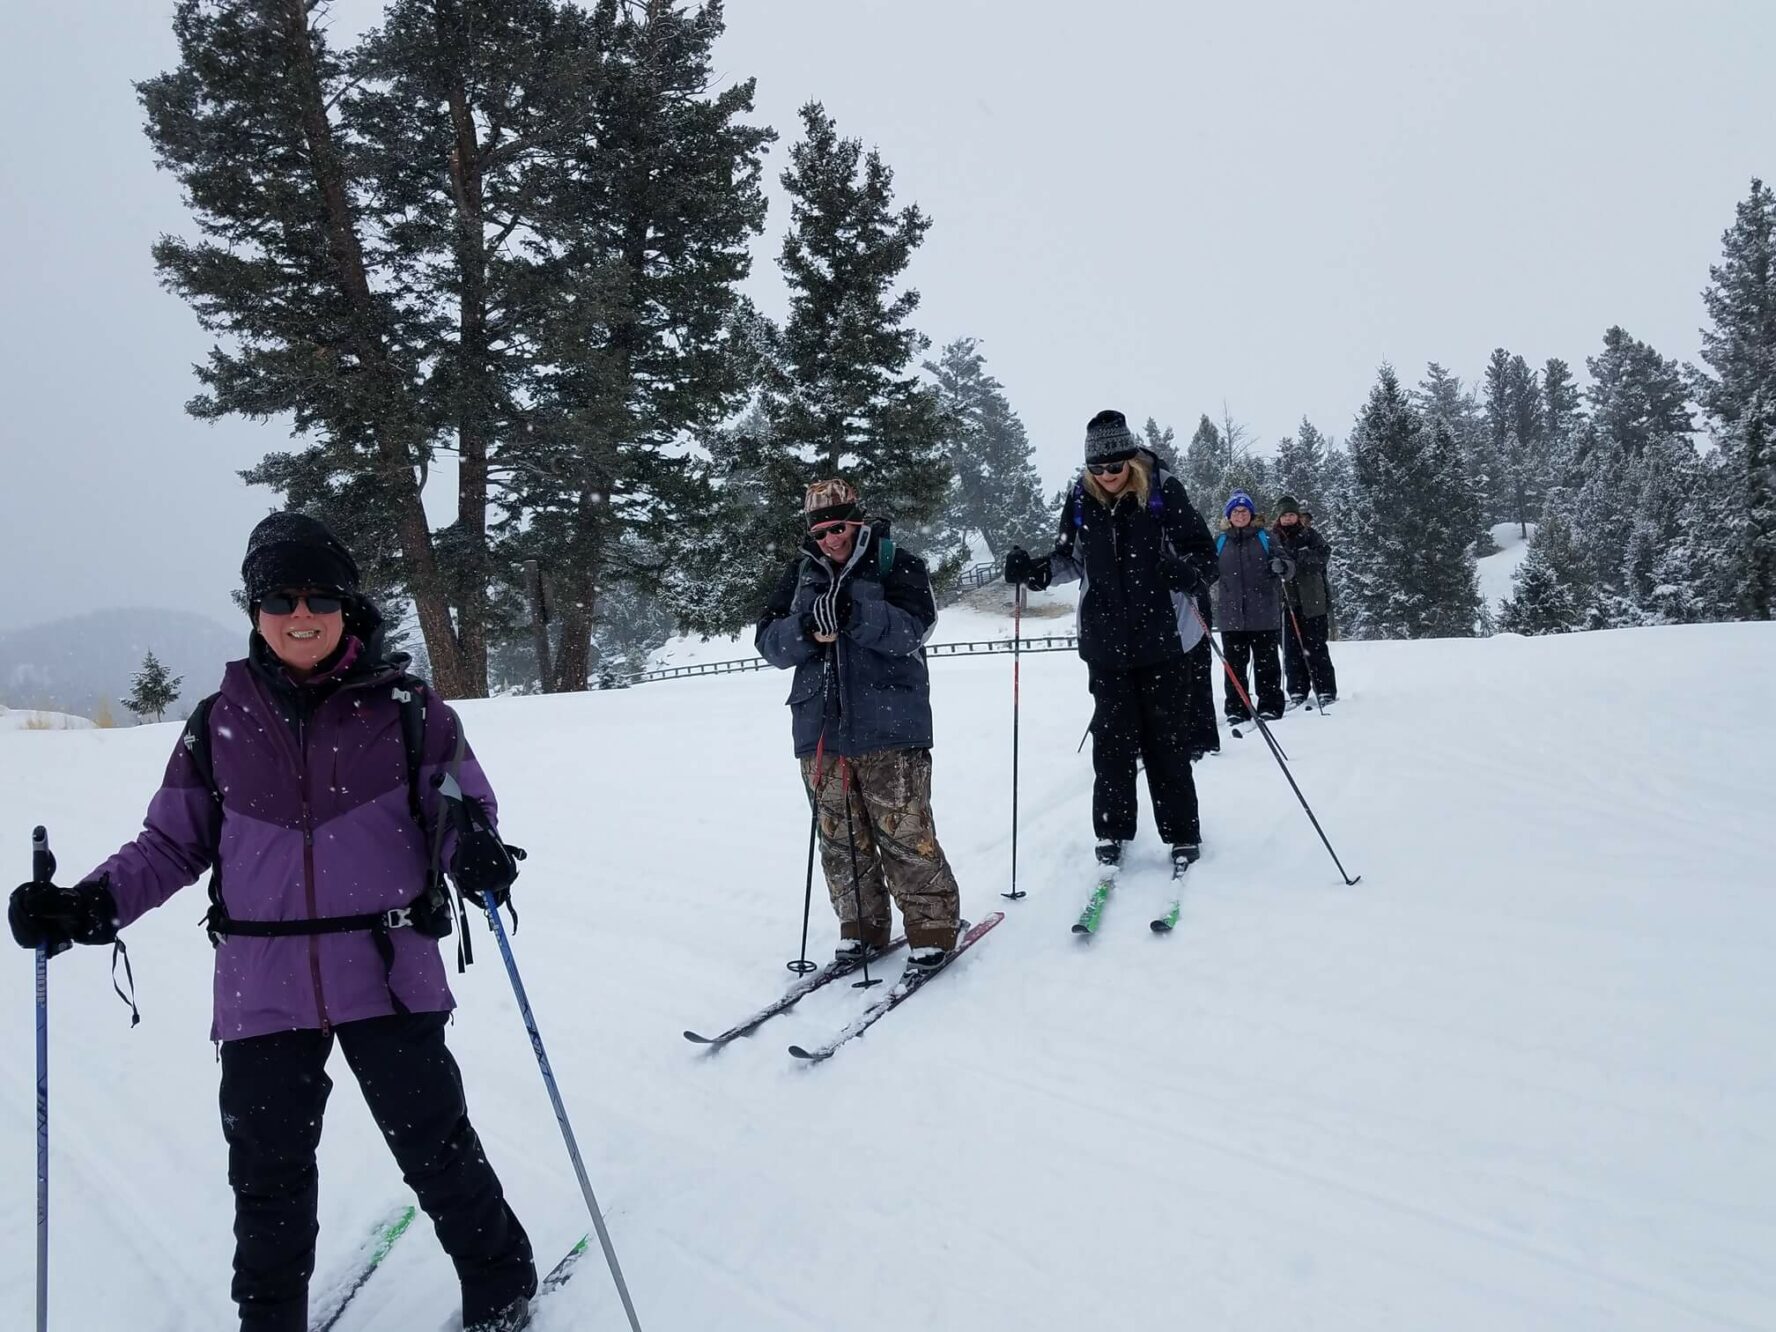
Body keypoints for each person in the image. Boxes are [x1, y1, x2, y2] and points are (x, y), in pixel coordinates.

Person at [8, 513, 536, 1332]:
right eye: (280, 597)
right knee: (268, 1179)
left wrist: (475, 851)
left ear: (345, 606)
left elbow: (463, 806)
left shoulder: (408, 710)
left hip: (389, 975)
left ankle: (500, 1283)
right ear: (253, 608)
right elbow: (169, 845)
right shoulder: (217, 723)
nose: (301, 613)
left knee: (436, 1148)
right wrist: (89, 904)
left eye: (319, 595)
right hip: (263, 987)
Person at [755, 478, 963, 970]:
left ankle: (932, 924)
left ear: (858, 520)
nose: (832, 539)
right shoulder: (800, 574)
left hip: (890, 723)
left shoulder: (897, 562)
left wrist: (855, 614)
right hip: (818, 726)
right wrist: (804, 629)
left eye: (840, 527)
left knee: (903, 829)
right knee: (838, 835)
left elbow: (916, 629)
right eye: (822, 530)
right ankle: (861, 925)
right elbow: (767, 641)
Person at [1003, 409, 1218, 874]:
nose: (1106, 477)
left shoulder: (1164, 492)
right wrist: (1034, 572)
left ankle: (1182, 833)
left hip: (1163, 638)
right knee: (1113, 744)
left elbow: (1204, 553)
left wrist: (1189, 573)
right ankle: (1112, 830)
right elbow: (1069, 559)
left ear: (1131, 462)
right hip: (1106, 645)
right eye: (1096, 469)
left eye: (1114, 468)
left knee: (1166, 743)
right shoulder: (1082, 498)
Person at [1216, 490, 1294, 723]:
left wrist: (1281, 565)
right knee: (1235, 667)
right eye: (1236, 511)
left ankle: (1270, 704)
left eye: (1244, 511)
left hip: (1263, 612)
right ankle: (1237, 708)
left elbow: (1289, 565)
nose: (1240, 515)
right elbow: (1208, 569)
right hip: (1231, 616)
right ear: (1229, 515)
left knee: (1266, 664)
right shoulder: (1220, 541)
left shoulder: (1266, 537)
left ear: (1251, 513)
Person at [1273, 495, 1339, 705]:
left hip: (1313, 601)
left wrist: (1301, 557)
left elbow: (1323, 556)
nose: (1288, 519)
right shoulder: (1273, 537)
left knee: (1316, 646)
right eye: (1284, 515)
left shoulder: (1310, 535)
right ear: (1279, 518)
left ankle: (1325, 689)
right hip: (1285, 601)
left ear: (1298, 516)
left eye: (1291, 514)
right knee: (1291, 648)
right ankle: (1297, 690)